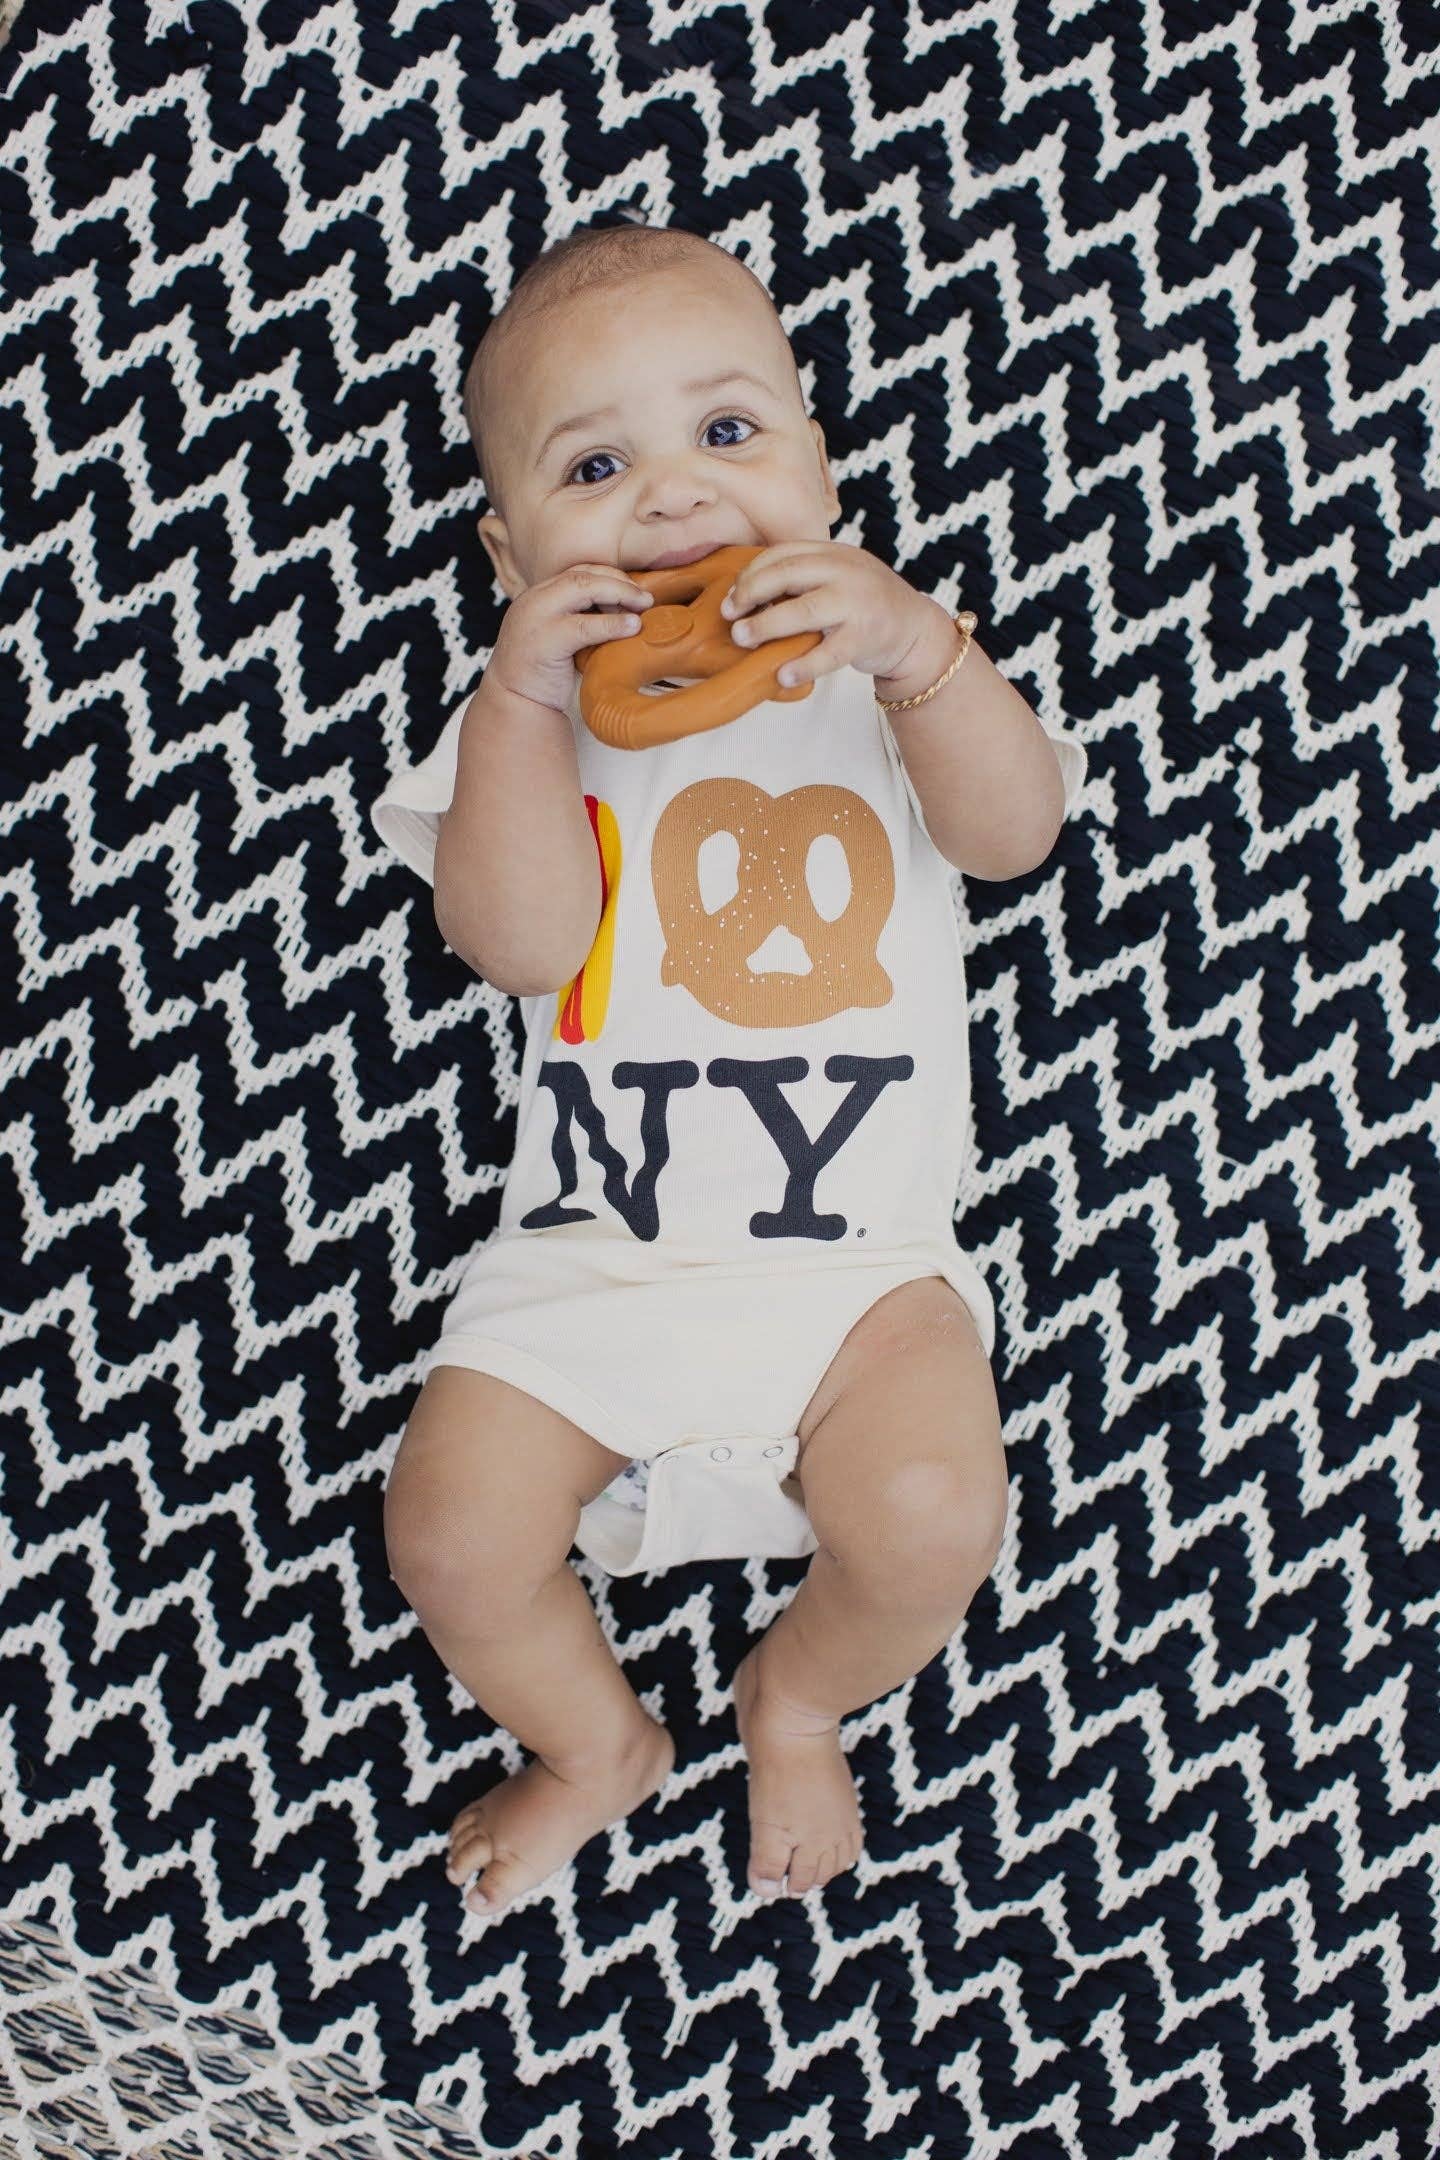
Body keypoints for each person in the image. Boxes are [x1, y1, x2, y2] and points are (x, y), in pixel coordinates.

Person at [370, 220, 1087, 1920]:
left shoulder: (890, 681)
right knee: (451, 1540)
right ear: (508, 551)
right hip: (588, 1264)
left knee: (931, 1519)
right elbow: (521, 945)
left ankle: (796, 1694)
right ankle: (599, 1745)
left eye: (730, 433)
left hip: (859, 1289)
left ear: (822, 467)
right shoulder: (521, 732)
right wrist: (525, 711)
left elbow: (1016, 836)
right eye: (598, 467)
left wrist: (926, 653)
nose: (678, 500)